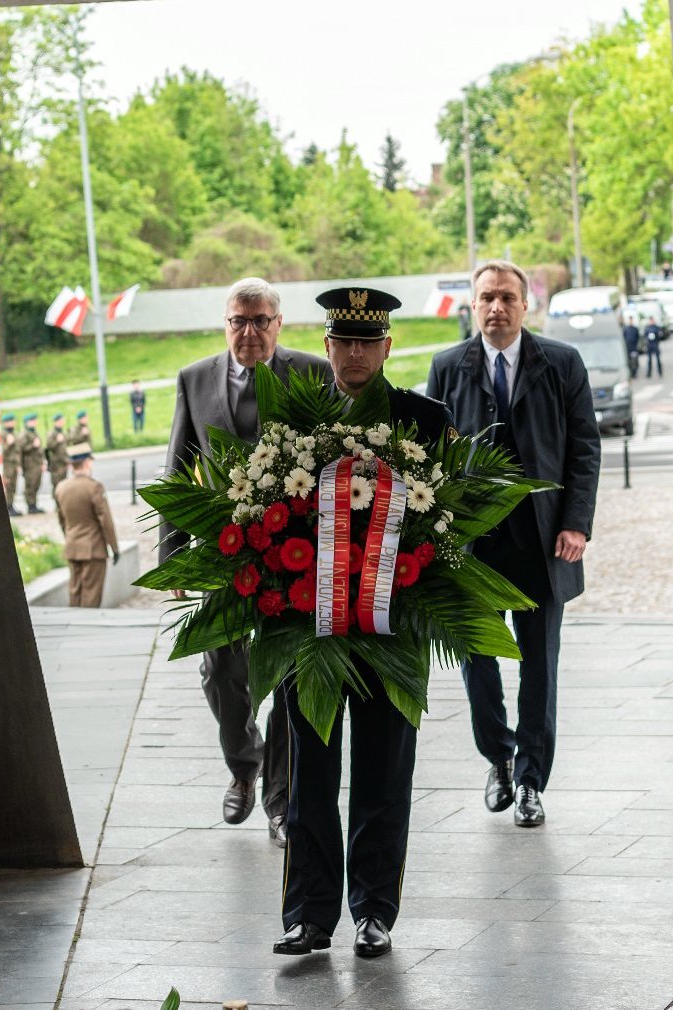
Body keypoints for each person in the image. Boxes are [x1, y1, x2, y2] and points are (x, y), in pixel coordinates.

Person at [273, 286, 455, 961]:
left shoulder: (426, 420)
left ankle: (374, 911)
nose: (353, 353)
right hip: (309, 629)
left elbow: (451, 523)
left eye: (366, 341)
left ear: (387, 346)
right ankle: (309, 916)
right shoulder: (291, 422)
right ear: (325, 347)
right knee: (311, 777)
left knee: (383, 771)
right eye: (342, 341)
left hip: (389, 626)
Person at [426, 260, 602, 829]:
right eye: (486, 298)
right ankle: (498, 756)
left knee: (539, 666)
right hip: (474, 545)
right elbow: (428, 457)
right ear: (472, 307)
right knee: (477, 660)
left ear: (526, 306)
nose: (496, 307)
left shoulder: (562, 363)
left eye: (506, 297)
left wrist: (575, 522)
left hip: (542, 541)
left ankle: (530, 779)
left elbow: (584, 447)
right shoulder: (448, 367)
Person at [165, 276, 329, 846]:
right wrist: (171, 557)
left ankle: (280, 802)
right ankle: (243, 762)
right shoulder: (193, 380)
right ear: (225, 323)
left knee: (285, 677)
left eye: (261, 320)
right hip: (224, 557)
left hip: (294, 556)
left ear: (279, 324)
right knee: (219, 673)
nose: (250, 331)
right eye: (239, 320)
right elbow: (176, 472)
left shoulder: (311, 372)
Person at [53, 442, 118, 608]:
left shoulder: (61, 487)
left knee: (75, 592)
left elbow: (62, 520)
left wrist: (70, 538)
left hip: (72, 547)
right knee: (91, 595)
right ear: (88, 462)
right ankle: (87, 630)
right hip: (93, 549)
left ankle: (73, 628)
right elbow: (106, 522)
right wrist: (114, 548)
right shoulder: (94, 487)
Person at [19, 414, 45, 514]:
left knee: (37, 484)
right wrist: (32, 445)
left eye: (34, 420)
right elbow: (22, 449)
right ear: (26, 422)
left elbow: (40, 450)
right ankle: (30, 506)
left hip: (37, 463)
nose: (34, 422)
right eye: (31, 420)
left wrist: (42, 462)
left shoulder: (34, 433)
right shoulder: (25, 434)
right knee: (30, 485)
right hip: (29, 464)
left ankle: (34, 504)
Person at [0, 413, 22, 516]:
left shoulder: (14, 433)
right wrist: (8, 444)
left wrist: (18, 465)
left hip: (13, 464)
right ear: (5, 423)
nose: (12, 423)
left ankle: (11, 505)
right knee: (7, 486)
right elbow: (0, 452)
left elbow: (17, 451)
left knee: (13, 486)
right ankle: (7, 506)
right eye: (10, 421)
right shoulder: (2, 435)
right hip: (7, 465)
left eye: (13, 421)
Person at [45, 414, 70, 488]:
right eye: (60, 421)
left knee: (64, 484)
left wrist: (68, 460)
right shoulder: (51, 434)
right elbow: (49, 446)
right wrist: (57, 441)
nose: (62, 422)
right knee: (56, 485)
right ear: (56, 422)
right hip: (56, 464)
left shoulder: (63, 433)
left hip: (64, 462)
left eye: (63, 421)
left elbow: (66, 448)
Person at [622, 314, 642, 380]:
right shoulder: (626, 329)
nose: (630, 321)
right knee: (629, 361)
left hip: (634, 348)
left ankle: (635, 373)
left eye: (631, 320)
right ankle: (630, 373)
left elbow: (637, 337)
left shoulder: (635, 329)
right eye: (629, 320)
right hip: (628, 348)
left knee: (634, 361)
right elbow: (624, 338)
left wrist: (636, 345)